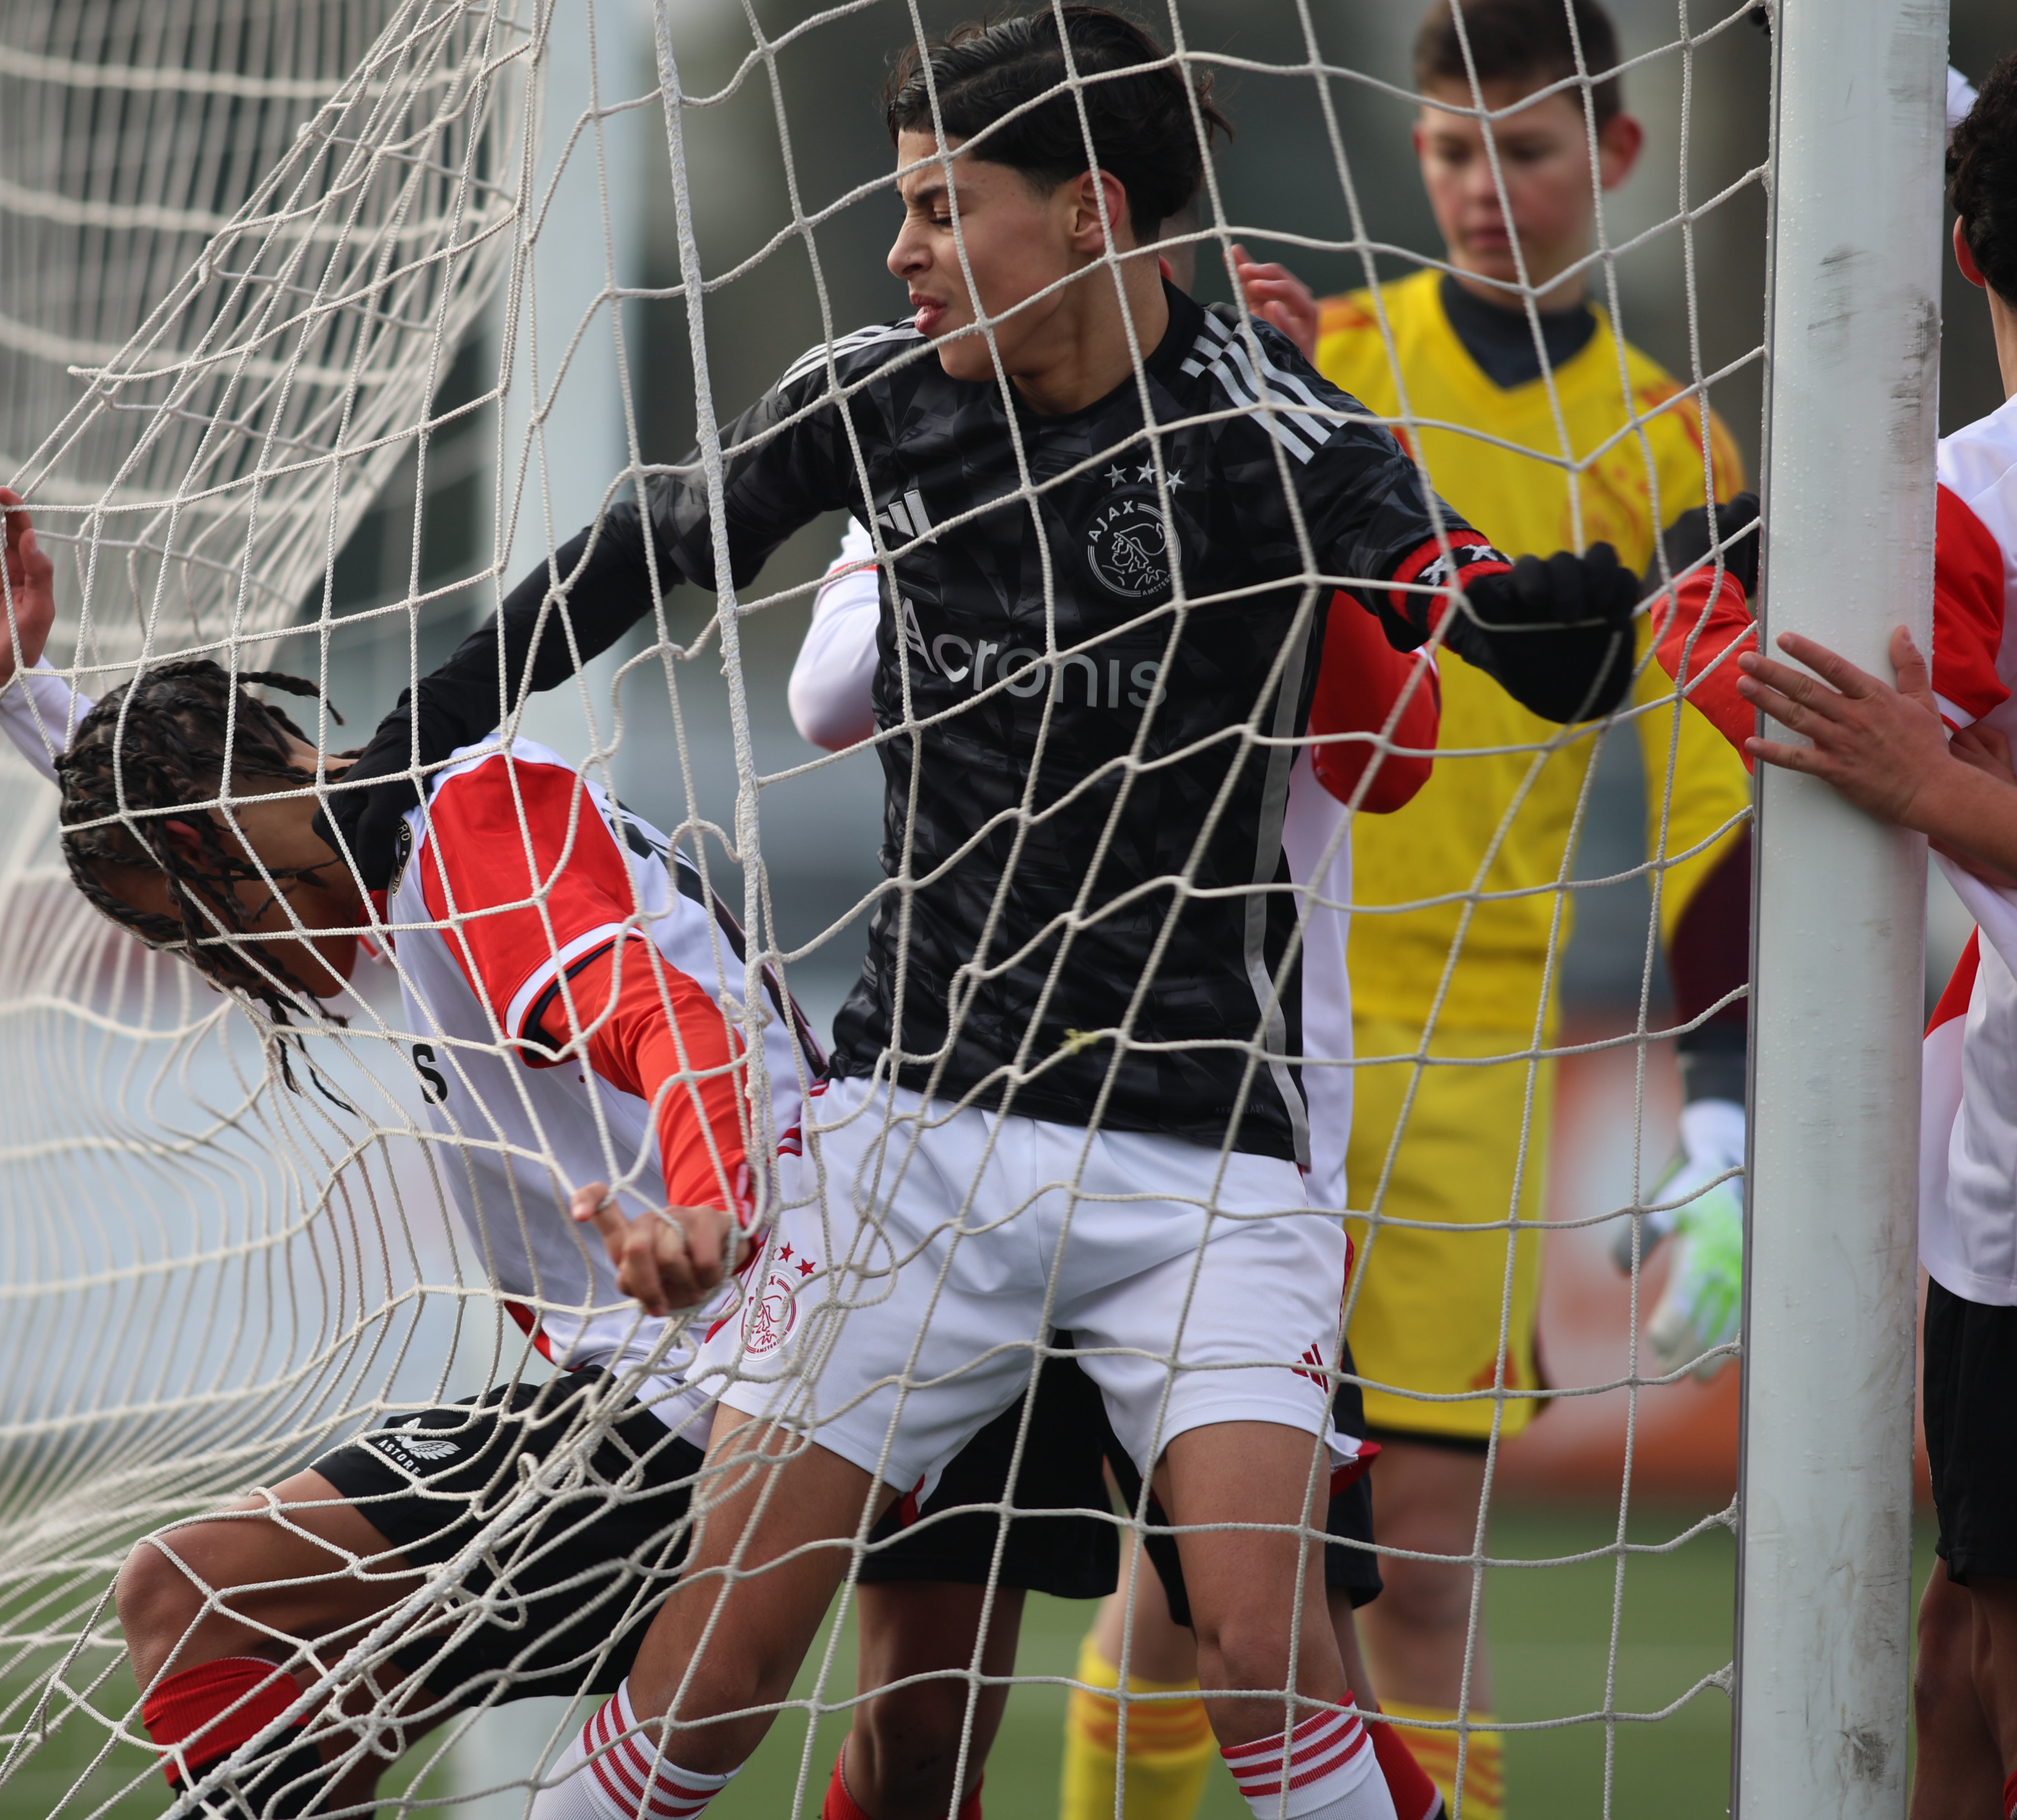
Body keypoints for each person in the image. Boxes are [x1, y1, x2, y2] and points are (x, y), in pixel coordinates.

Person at [313, 9, 1649, 1819]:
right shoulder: (884, 392)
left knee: (1266, 1653)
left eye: (943, 207)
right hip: (916, 1143)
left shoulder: (1277, 426)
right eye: (904, 204)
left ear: (1090, 209)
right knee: (721, 1672)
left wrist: (1545, 628)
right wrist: (404, 746)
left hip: (1203, 1163)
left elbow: (1442, 582)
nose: (901, 249)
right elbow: (639, 548)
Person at [0, 457, 1136, 1820]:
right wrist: (27, 698)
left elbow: (670, 1022)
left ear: (233, 842)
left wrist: (705, 1208)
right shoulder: (360, 838)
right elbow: (192, 814)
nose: (220, 965)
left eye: (204, 925)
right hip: (872, 1271)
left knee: (193, 1594)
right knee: (915, 1759)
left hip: (732, 1343)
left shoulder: (463, 835)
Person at [1189, 6, 1757, 1811]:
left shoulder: (1675, 448)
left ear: (1616, 154)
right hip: (1246, 1035)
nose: (1485, 188)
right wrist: (1234, 393)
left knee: (1423, 1585)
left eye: (1524, 149)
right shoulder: (1332, 355)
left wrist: (1723, 1104)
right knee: (1194, 1592)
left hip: (1472, 1065)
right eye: (1452, 150)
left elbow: (1713, 791)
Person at [788, 515, 1438, 1820]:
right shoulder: (931, 460)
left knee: (1293, 1671)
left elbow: (1394, 759)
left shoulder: (1296, 471)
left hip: (1220, 1178)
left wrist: (1290, 512)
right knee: (918, 1725)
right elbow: (828, 697)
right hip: (957, 1171)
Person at [1656, 51, 2017, 1817]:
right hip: (1996, 1154)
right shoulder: (1949, 505)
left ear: (1959, 249)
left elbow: (1796, 708)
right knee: (1955, 1646)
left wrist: (1689, 606)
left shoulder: (1961, 507)